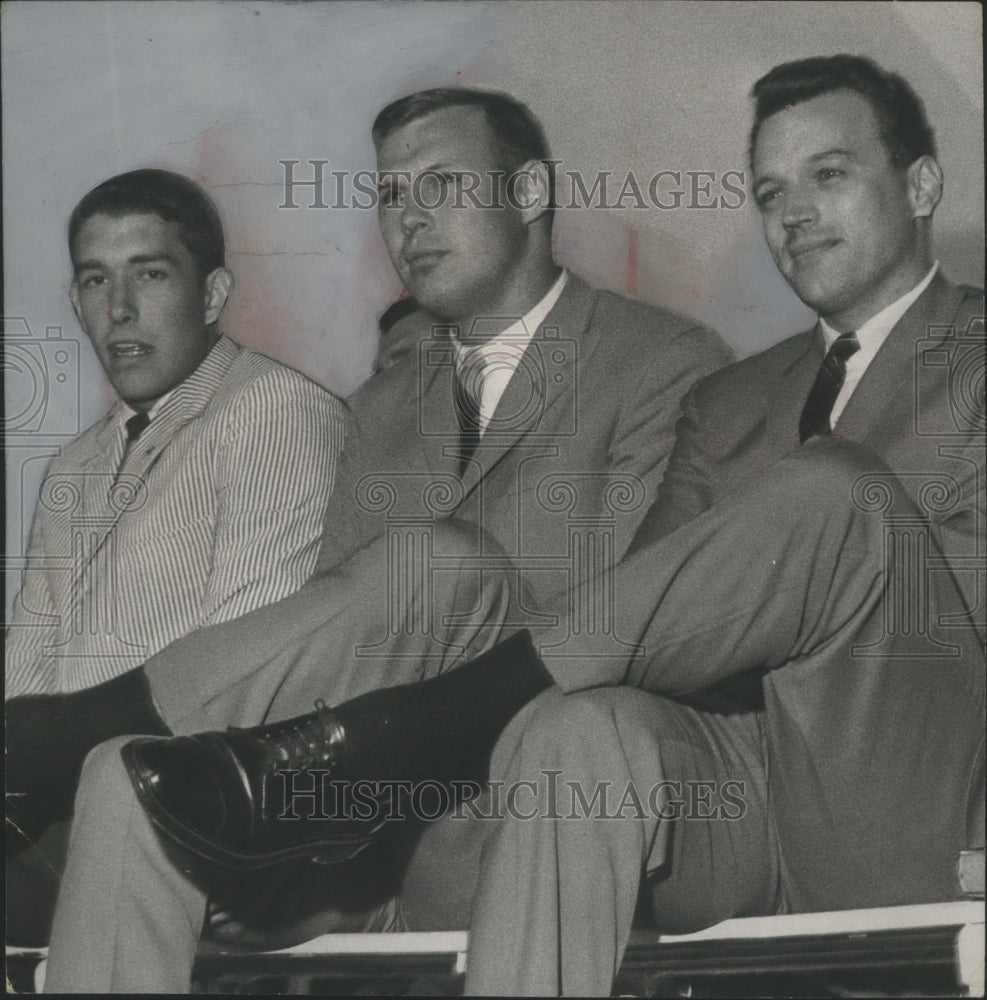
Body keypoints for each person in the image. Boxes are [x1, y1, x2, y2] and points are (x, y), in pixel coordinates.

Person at [108, 55, 983, 995]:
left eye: (829, 174)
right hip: (736, 804)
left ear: (921, 184)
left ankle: (412, 727)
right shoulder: (728, 398)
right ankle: (392, 742)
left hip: (918, 798)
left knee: (830, 493)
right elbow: (646, 627)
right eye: (769, 191)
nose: (793, 213)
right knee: (582, 725)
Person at [21, 88, 729, 990]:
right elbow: (329, 660)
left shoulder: (663, 362)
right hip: (375, 842)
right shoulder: (374, 412)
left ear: (528, 193)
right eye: (391, 195)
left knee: (437, 564)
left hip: (547, 810)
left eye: (439, 183)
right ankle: (97, 740)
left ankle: (71, 727)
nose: (409, 219)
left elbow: (626, 638)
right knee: (128, 775)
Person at [4, 168, 345, 948]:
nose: (118, 309)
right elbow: (22, 683)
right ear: (75, 300)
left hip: (193, 822)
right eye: (96, 280)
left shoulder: (273, 414)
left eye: (149, 274)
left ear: (214, 294)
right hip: (56, 818)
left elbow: (241, 691)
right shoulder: (74, 466)